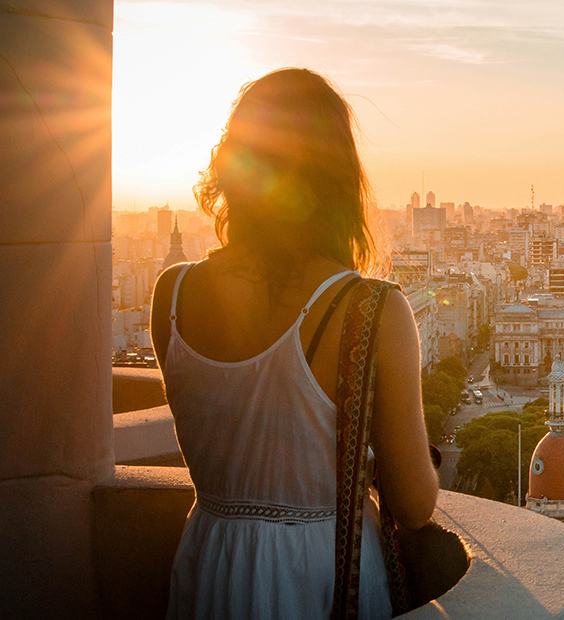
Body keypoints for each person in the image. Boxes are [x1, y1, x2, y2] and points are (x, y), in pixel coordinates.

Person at [151, 68, 438, 620]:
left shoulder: (171, 292)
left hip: (210, 561)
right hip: (322, 574)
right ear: (337, 180)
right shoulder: (372, 310)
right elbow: (414, 504)